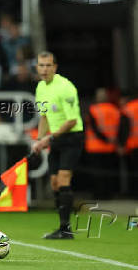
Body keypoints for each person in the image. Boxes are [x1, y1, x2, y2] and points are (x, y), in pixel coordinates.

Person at [32, 51, 84, 240]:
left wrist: (49, 139)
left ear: (55, 67)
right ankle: (62, 227)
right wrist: (39, 139)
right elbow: (44, 116)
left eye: (48, 65)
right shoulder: (40, 88)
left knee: (63, 179)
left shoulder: (65, 87)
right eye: (41, 65)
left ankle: (66, 229)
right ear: (37, 67)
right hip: (55, 139)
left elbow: (71, 120)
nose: (44, 69)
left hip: (72, 137)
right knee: (54, 183)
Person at [84, 88, 120, 199]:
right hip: (110, 147)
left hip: (95, 147)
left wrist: (105, 139)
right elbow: (121, 127)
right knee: (109, 172)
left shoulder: (93, 110)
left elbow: (94, 128)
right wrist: (113, 141)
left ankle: (98, 194)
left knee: (97, 173)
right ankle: (109, 194)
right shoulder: (115, 110)